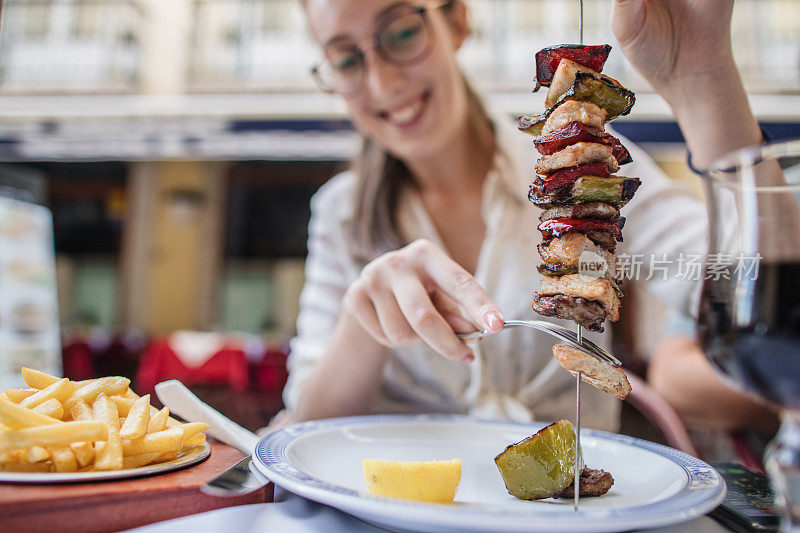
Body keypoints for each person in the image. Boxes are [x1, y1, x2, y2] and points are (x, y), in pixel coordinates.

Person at [275, 0, 777, 435]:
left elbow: (760, 286)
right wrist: (365, 320)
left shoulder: (582, 167)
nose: (384, 83)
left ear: (457, 22)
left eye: (403, 31)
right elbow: (307, 425)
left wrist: (706, 79)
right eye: (345, 59)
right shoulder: (341, 215)